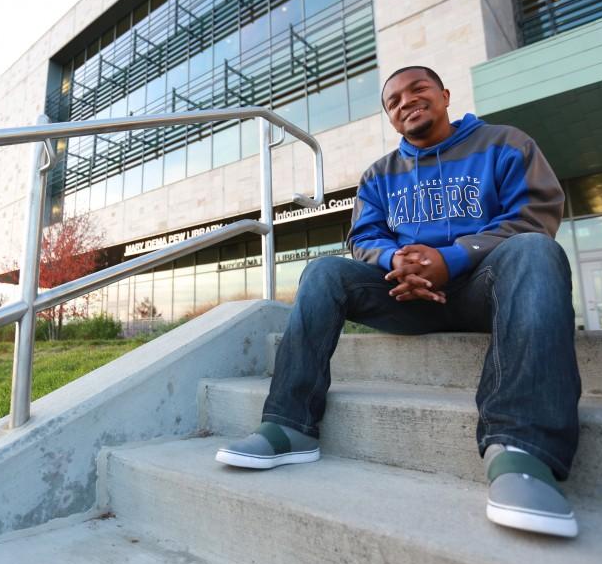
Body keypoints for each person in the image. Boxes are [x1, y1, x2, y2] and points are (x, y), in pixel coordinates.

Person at [215, 66, 581, 538]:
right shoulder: (379, 175)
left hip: (481, 289)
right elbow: (364, 237)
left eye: (418, 90)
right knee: (325, 271)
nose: (406, 101)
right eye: (393, 101)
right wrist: (398, 261)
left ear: (445, 95)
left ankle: (523, 452)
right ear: (390, 117)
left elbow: (534, 216)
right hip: (404, 293)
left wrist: (451, 258)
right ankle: (290, 426)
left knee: (535, 251)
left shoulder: (505, 143)